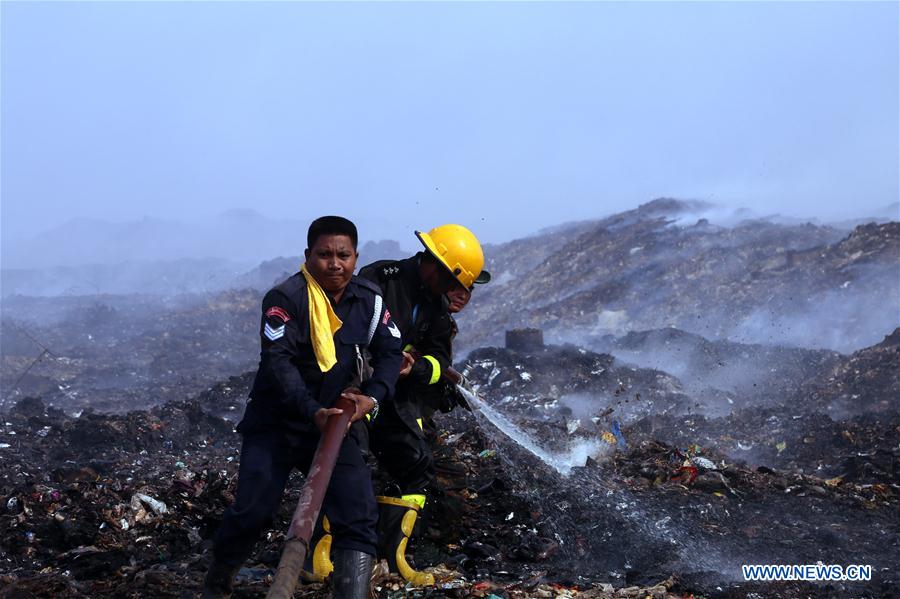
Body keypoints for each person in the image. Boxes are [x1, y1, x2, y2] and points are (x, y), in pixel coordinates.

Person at [203, 216, 403, 599]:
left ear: (356, 257)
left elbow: (391, 351)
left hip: (335, 423)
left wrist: (372, 397)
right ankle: (217, 582)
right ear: (308, 255)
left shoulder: (369, 301)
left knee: (358, 513)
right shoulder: (285, 300)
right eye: (325, 255)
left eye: (343, 255)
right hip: (277, 424)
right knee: (252, 512)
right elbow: (278, 363)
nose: (335, 264)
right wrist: (312, 410)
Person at [357, 224, 485, 584]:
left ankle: (401, 553)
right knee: (352, 466)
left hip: (401, 401)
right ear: (435, 266)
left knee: (428, 469)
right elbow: (349, 331)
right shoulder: (382, 279)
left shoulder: (436, 308)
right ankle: (344, 549)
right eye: (452, 283)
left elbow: (439, 362)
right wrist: (382, 360)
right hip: (360, 393)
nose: (455, 293)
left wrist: (414, 369)